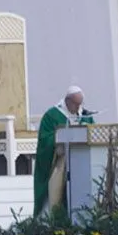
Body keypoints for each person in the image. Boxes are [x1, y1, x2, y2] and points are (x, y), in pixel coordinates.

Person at [33, 86, 96, 216]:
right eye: (75, 104)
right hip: (59, 163)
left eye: (80, 104)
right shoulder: (52, 115)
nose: (78, 107)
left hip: (82, 163)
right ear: (67, 101)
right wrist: (59, 139)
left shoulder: (85, 116)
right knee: (57, 194)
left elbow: (94, 134)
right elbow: (44, 140)